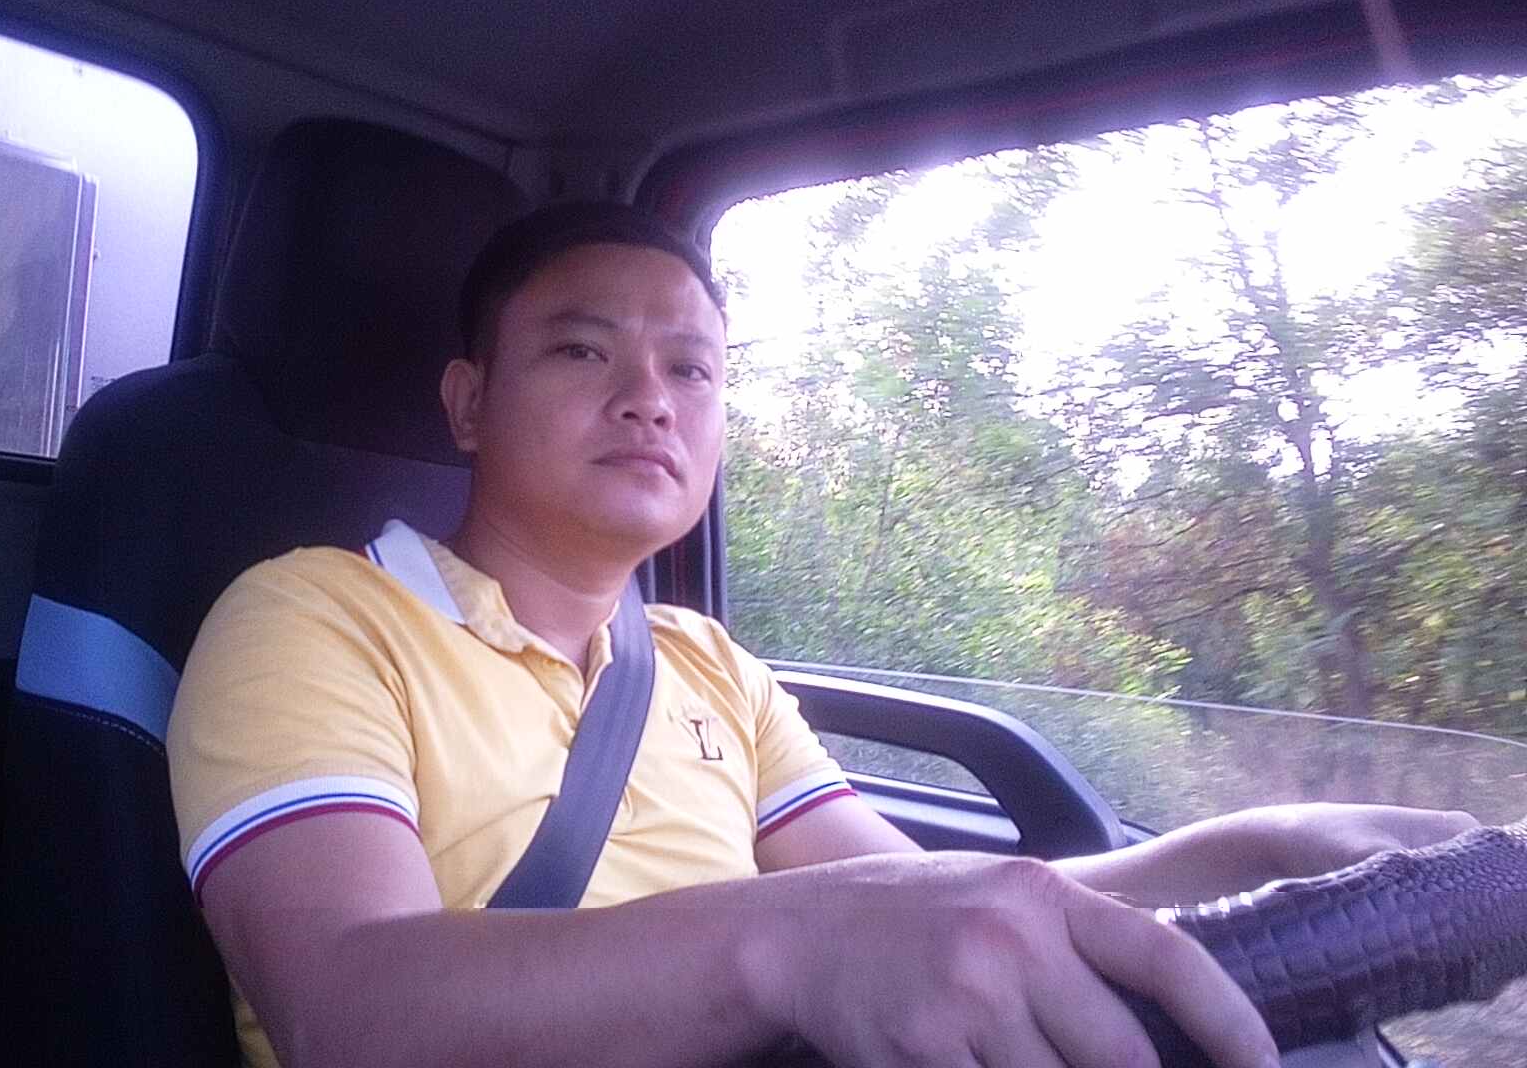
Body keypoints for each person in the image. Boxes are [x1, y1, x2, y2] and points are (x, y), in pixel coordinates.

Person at [165, 201, 1474, 1068]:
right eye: (582, 353)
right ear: (468, 402)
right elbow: (350, 1012)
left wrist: (1250, 852)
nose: (650, 398)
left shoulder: (711, 667)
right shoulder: (315, 617)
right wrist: (786, 943)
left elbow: (929, 912)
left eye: (692, 369)